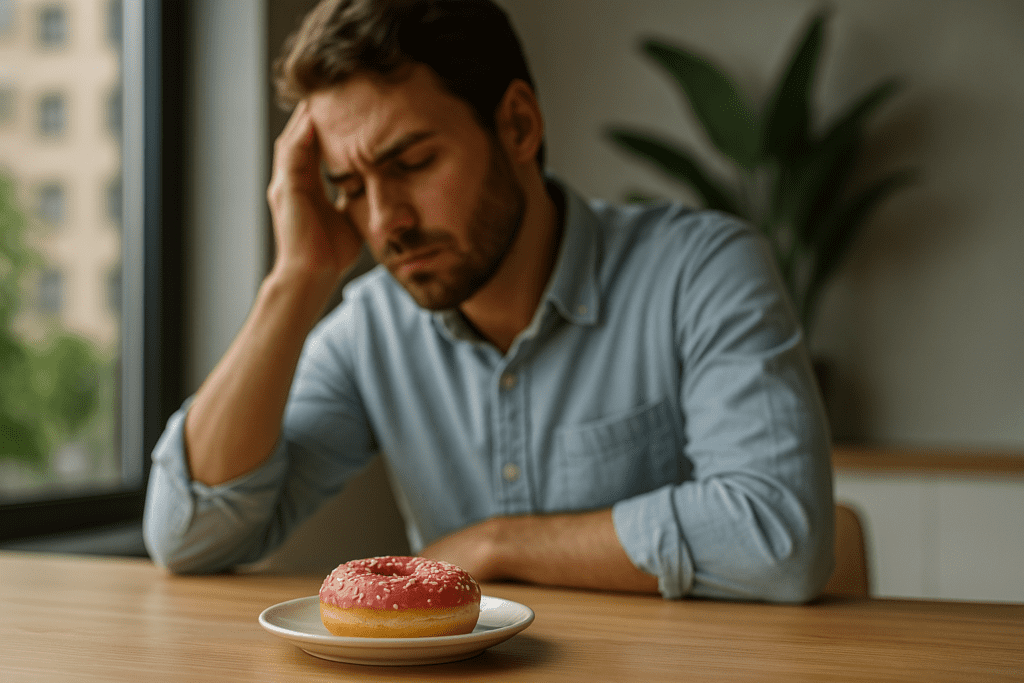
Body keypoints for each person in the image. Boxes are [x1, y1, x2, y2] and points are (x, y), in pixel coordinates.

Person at [143, 0, 835, 602]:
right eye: (349, 186)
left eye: (410, 163)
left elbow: (778, 534)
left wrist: (495, 544)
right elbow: (186, 534)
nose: (385, 222)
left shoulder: (700, 270)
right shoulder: (370, 328)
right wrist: (295, 280)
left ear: (519, 126)